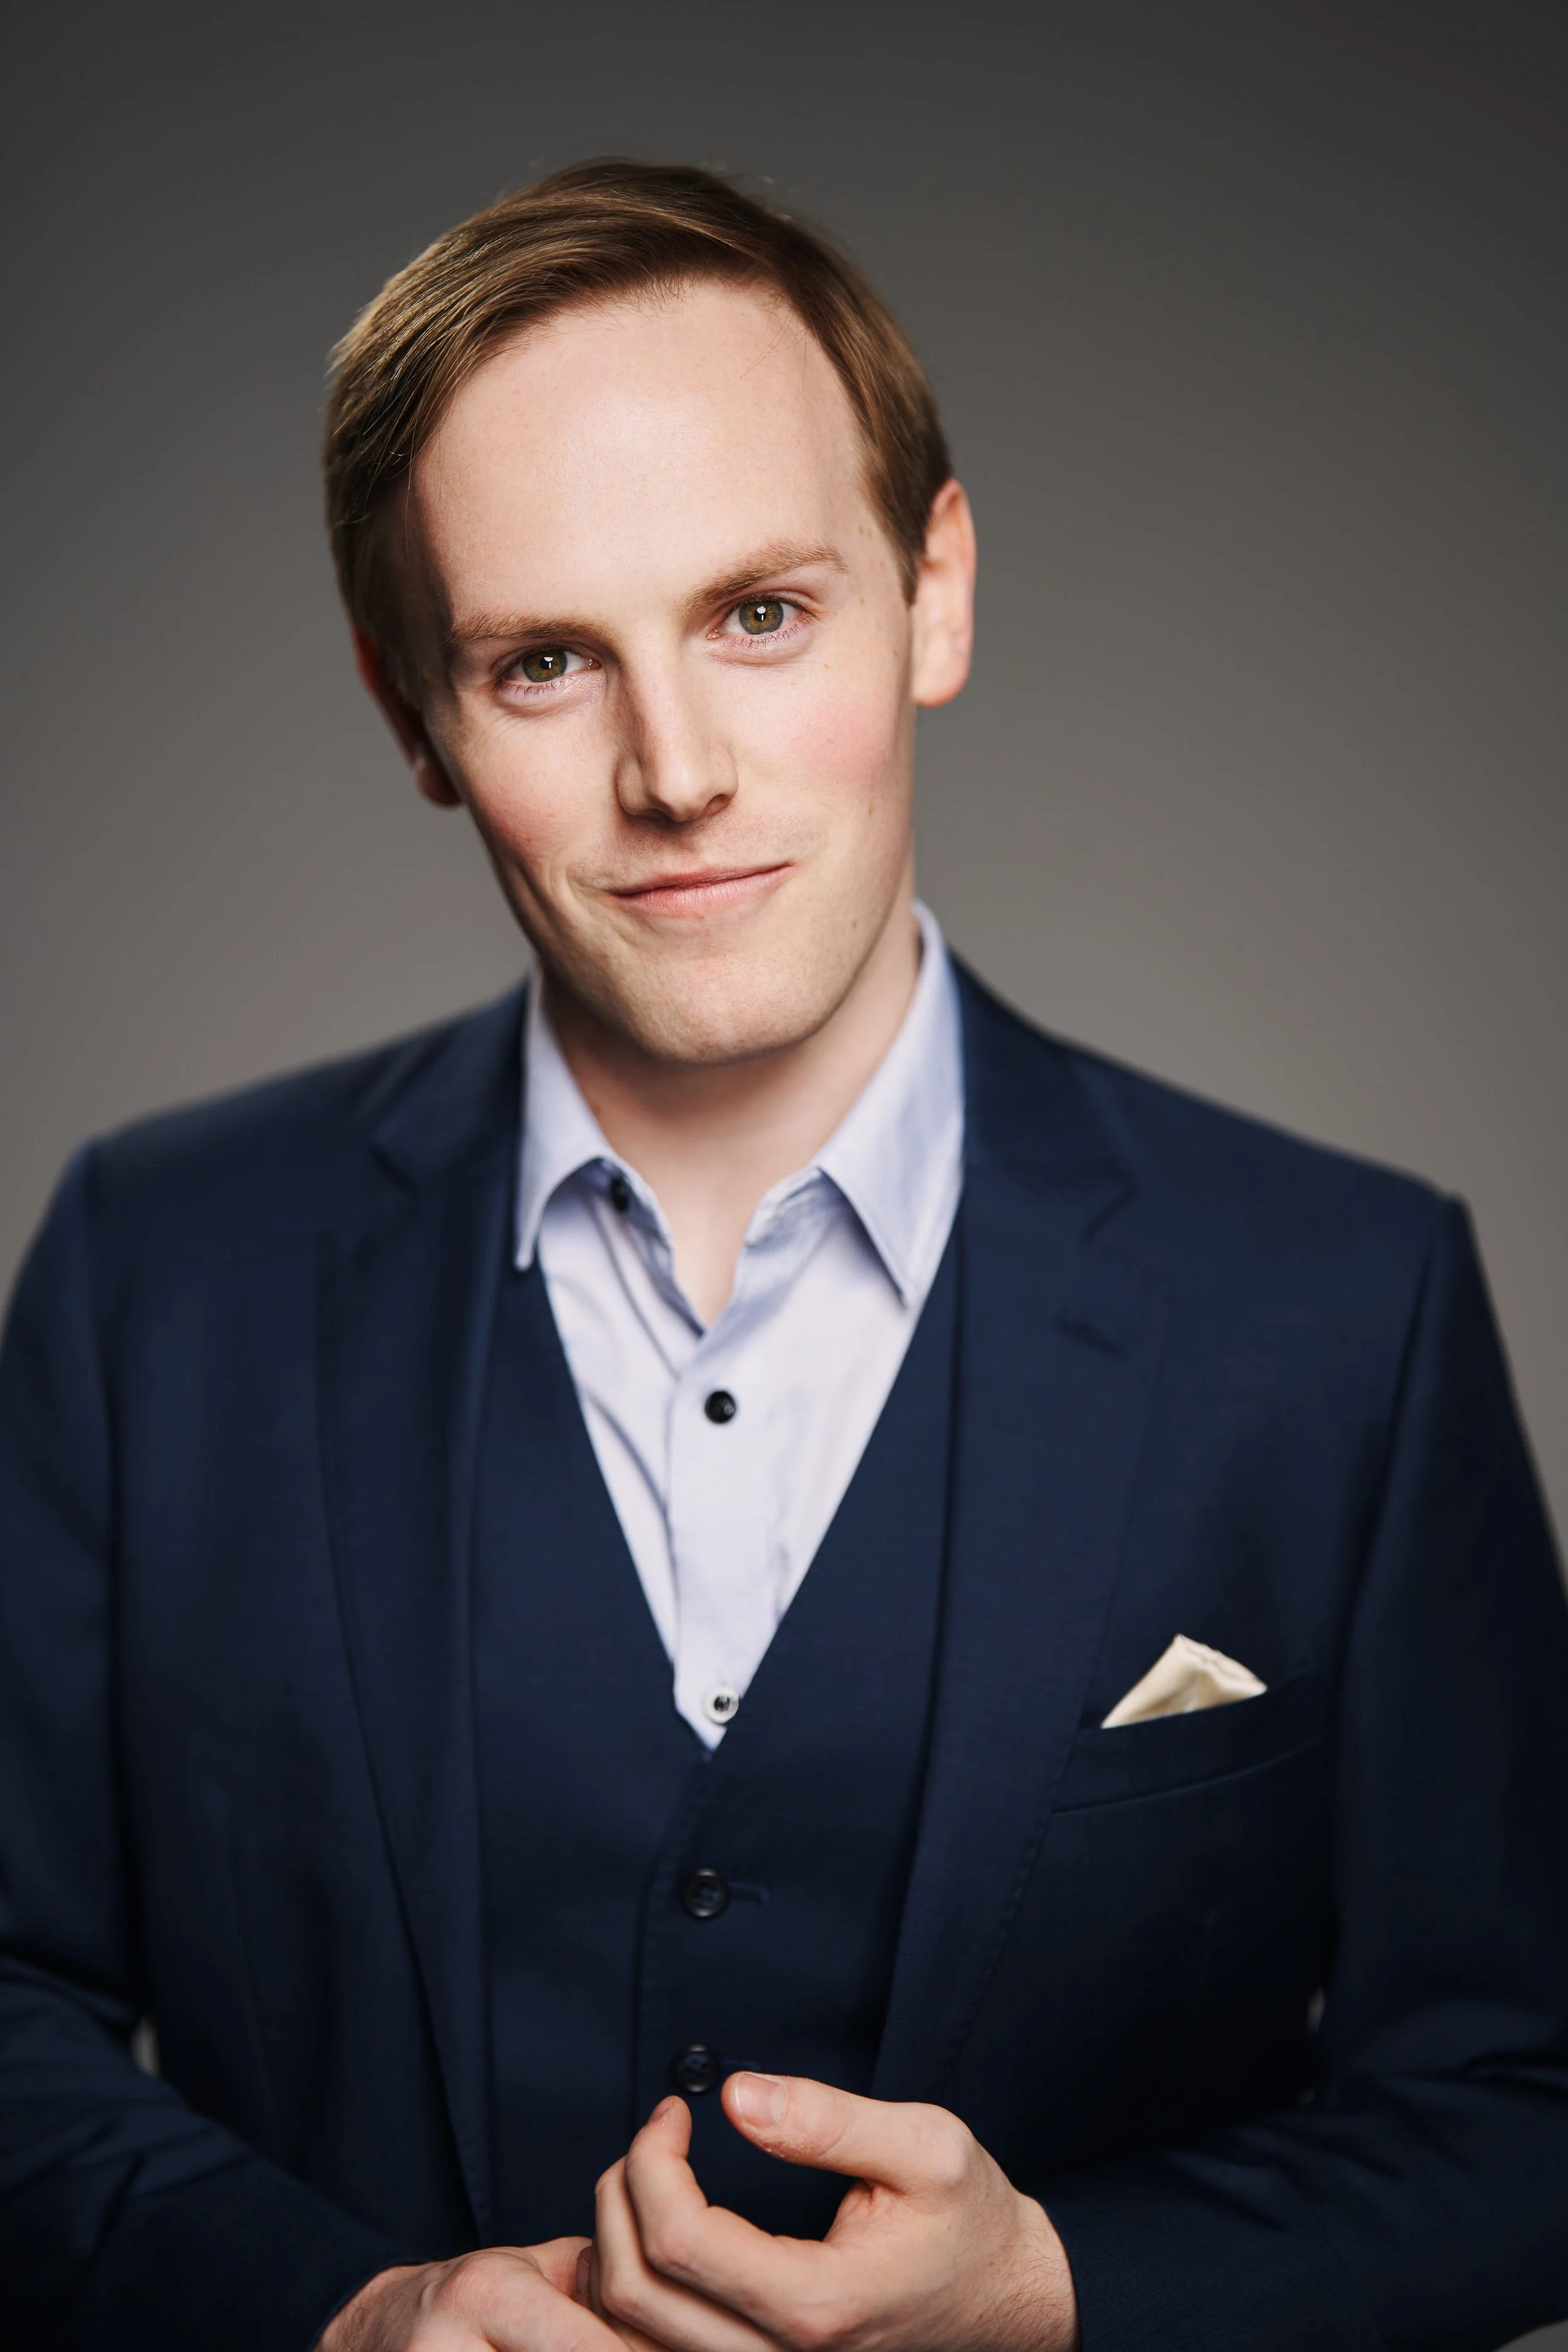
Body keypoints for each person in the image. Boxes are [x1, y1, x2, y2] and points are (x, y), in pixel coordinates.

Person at [1, 159, 1565, 2352]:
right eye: (546, 660)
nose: (676, 771)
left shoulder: (1342, 1304)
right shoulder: (151, 1278)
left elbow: (1522, 2105)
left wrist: (1061, 2289)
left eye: (758, 613)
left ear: (933, 592)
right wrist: (336, 2316)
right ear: (410, 712)